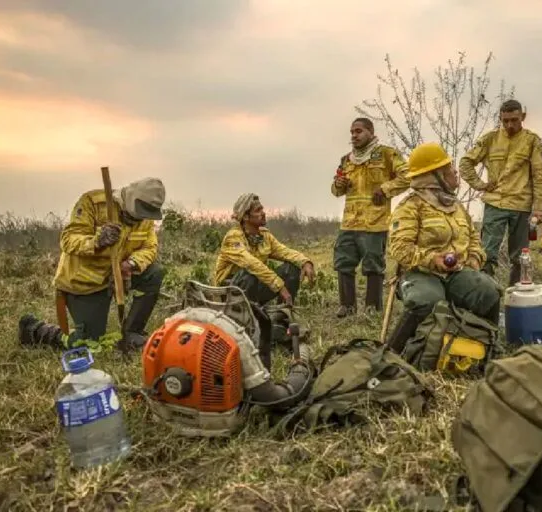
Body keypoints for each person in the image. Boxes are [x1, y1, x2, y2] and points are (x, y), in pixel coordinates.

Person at [18, 177, 167, 350]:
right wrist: (97, 242)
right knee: (88, 343)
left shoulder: (146, 218)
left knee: (154, 273)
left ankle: (132, 333)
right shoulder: (93, 203)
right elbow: (68, 240)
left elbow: (150, 247)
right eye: (139, 212)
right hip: (84, 283)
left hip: (117, 275)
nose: (140, 219)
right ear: (130, 198)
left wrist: (131, 264)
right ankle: (35, 330)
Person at [385, 142, 502, 353]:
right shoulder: (410, 207)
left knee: (488, 291)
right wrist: (433, 259)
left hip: (457, 273)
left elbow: (474, 238)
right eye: (448, 168)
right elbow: (399, 249)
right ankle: (392, 353)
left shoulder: (455, 206)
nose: (455, 171)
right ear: (434, 175)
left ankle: (488, 347)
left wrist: (475, 258)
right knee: (426, 300)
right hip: (421, 273)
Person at [459, 99, 542, 285]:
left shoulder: (532, 141)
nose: (509, 125)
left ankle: (515, 296)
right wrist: (480, 184)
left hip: (521, 205)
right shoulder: (490, 139)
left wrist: (538, 208)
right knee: (487, 253)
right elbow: (465, 163)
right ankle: (486, 296)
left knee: (520, 257)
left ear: (522, 117)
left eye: (514, 120)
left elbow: (539, 176)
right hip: (495, 204)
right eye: (505, 120)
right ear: (500, 118)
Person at [331, 117, 410, 317]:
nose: (354, 136)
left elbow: (407, 176)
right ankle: (347, 307)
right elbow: (335, 190)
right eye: (352, 132)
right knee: (343, 262)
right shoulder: (346, 159)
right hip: (350, 222)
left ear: (371, 132)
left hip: (375, 222)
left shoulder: (386, 154)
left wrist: (385, 189)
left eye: (358, 131)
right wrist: (339, 184)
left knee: (373, 265)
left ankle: (372, 308)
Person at [213, 193, 315, 306]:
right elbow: (251, 264)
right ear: (246, 216)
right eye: (258, 210)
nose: (263, 213)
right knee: (249, 273)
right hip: (230, 291)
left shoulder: (264, 236)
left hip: (254, 286)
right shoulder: (233, 237)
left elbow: (285, 252)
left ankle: (283, 313)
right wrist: (279, 286)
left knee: (292, 267)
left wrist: (305, 262)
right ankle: (246, 315)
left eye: (262, 209)